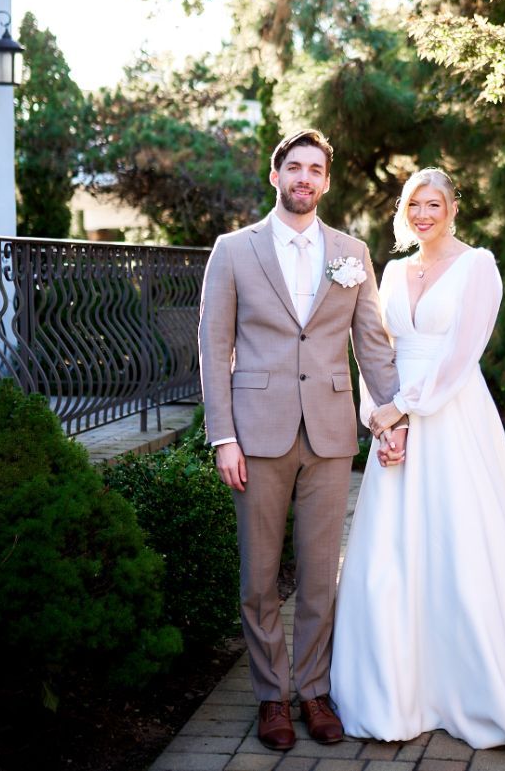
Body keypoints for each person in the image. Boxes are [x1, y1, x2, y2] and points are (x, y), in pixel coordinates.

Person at [330, 167, 505, 762]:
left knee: (458, 541)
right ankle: (396, 688)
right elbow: (373, 348)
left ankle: (473, 681)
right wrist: (380, 416)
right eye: (415, 204)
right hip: (396, 417)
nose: (424, 213)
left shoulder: (478, 266)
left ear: (454, 208)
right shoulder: (390, 270)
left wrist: (405, 409)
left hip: (452, 414)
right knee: (392, 551)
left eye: (434, 203)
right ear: (404, 211)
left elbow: (462, 355)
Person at [199, 129, 406, 751]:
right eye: (295, 168)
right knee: (260, 577)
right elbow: (214, 348)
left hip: (330, 433)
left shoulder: (352, 252)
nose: (305, 178)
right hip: (256, 436)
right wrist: (222, 437)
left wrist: (392, 419)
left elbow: (371, 342)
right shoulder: (234, 250)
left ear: (325, 181)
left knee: (320, 576)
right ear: (276, 176)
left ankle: (314, 690)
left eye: (315, 169)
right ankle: (271, 698)